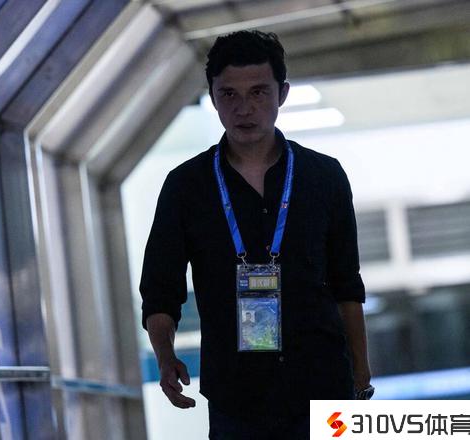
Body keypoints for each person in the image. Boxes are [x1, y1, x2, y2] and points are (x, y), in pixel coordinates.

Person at [140, 30, 372, 439]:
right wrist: (165, 356)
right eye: (228, 94)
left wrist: (362, 372)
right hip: (236, 398)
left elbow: (347, 285)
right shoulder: (186, 187)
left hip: (323, 386)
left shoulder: (324, 176)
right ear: (213, 98)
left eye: (259, 93)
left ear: (282, 93)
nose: (244, 108)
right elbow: (160, 290)